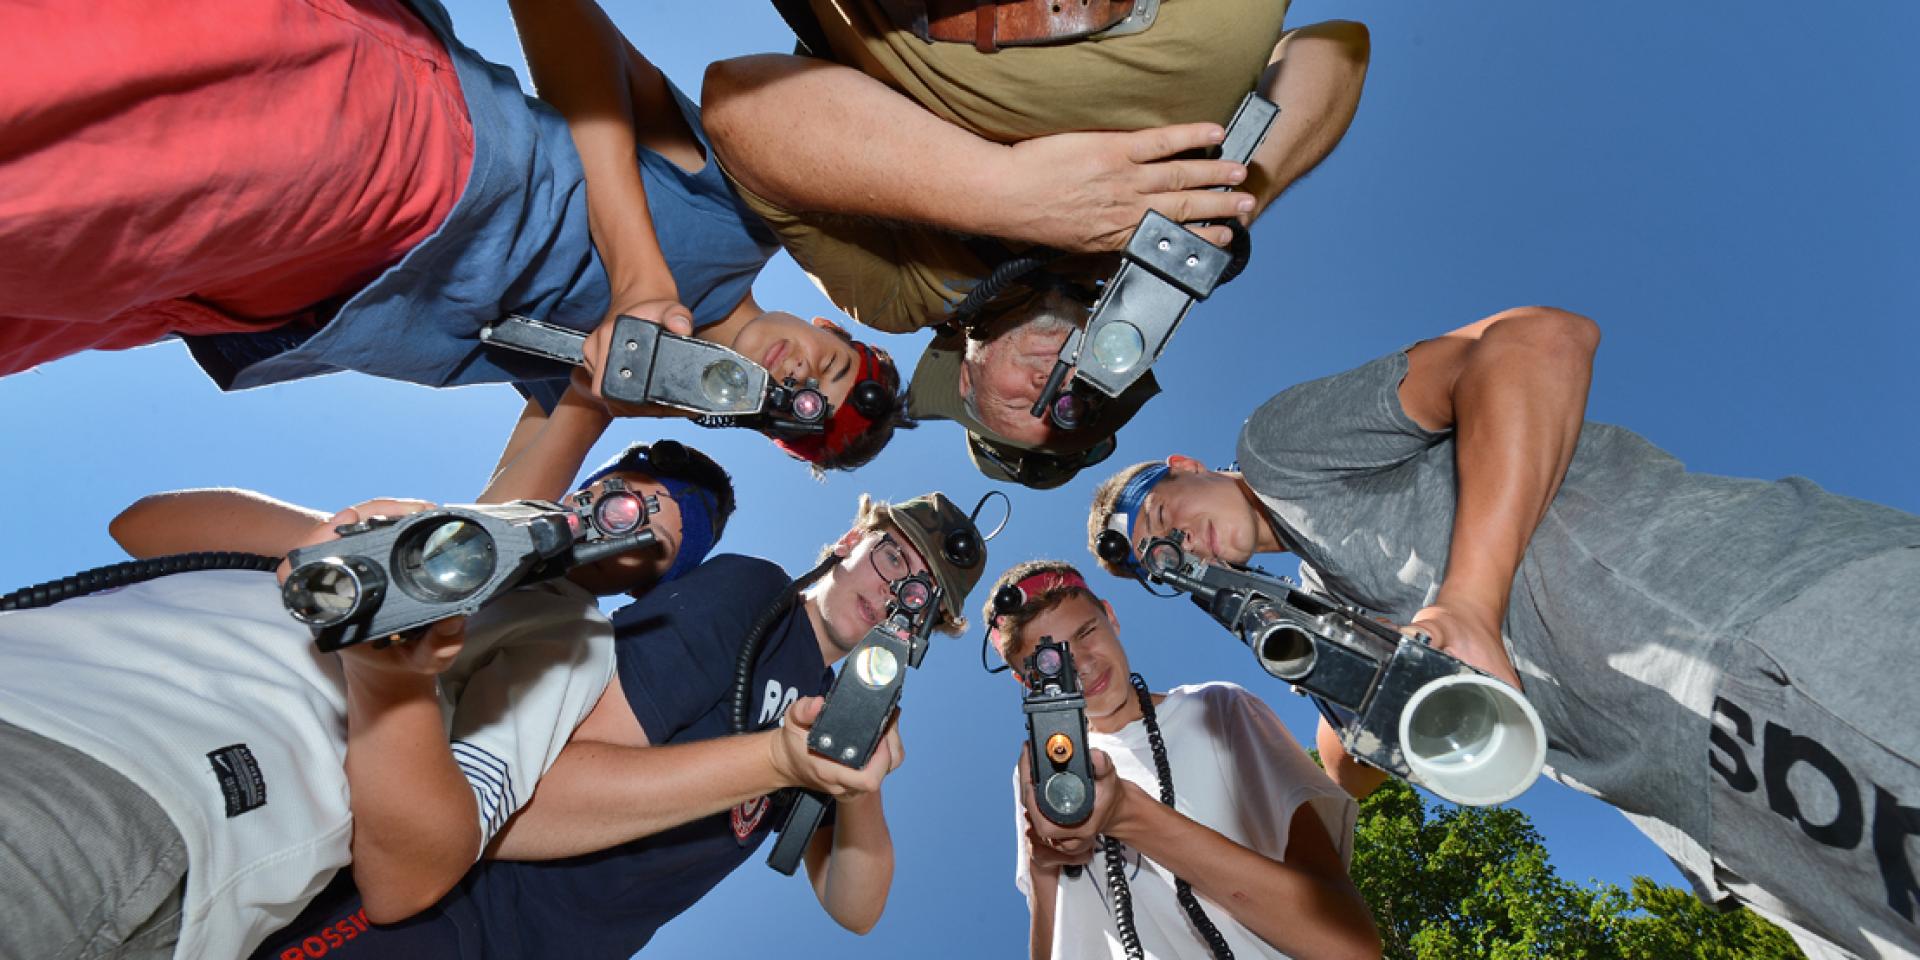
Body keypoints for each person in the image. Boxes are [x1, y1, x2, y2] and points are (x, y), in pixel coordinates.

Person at [1085, 306, 1920, 959]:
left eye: (1164, 517)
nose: (1177, 547)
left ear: (1186, 467)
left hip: (1758, 640)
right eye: (1158, 560)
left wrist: (1469, 603)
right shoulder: (1319, 599)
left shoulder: (1281, 454)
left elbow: (1540, 341)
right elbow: (1347, 763)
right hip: (1719, 824)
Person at [0, 0, 901, 470]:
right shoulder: (738, 215)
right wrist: (637, 270)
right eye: (829, 367)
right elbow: (565, 20)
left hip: (249, 300)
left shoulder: (614, 385)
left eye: (800, 408)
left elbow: (513, 505)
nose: (800, 378)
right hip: (392, 152)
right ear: (831, 328)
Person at [0, 422, 737, 960]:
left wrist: (391, 679)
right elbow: (142, 526)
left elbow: (411, 879)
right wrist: (339, 548)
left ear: (649, 582)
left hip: (138, 792)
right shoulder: (425, 535)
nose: (621, 528)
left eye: (653, 543)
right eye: (619, 501)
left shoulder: (570, 637)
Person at [250, 491, 991, 959]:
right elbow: (525, 810)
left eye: (920, 596)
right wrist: (778, 761)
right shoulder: (751, 595)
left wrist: (857, 787)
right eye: (891, 555)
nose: (895, 587)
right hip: (446, 917)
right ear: (847, 541)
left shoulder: (826, 715)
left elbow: (856, 909)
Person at [701, 5, 1371, 482]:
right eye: (1082, 398)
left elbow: (739, 106)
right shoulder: (1142, 244)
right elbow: (1335, 47)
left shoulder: (904, 295)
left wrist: (1009, 190)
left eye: (1030, 405)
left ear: (967, 380)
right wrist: (1242, 196)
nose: (1057, 381)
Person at [983, 559, 1379, 959]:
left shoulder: (1216, 709)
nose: (1082, 665)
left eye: (1087, 632)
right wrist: (1042, 870)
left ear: (1111, 615)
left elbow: (1348, 946)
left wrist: (1129, 816)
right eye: (1050, 665)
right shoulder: (1041, 778)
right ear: (1026, 682)